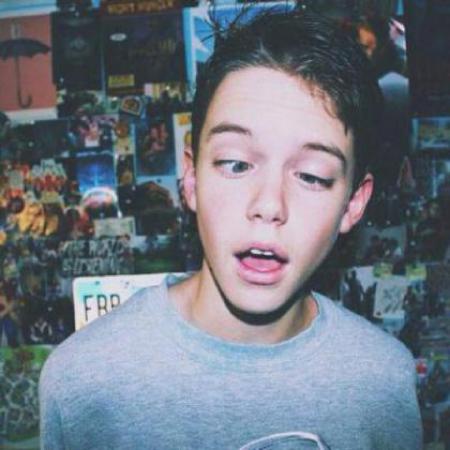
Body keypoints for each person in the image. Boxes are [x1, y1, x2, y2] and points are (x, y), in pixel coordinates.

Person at [39, 8, 422, 449]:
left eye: (312, 176)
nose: (269, 205)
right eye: (236, 164)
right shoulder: (82, 383)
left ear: (353, 203)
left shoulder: (383, 384)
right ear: (191, 178)